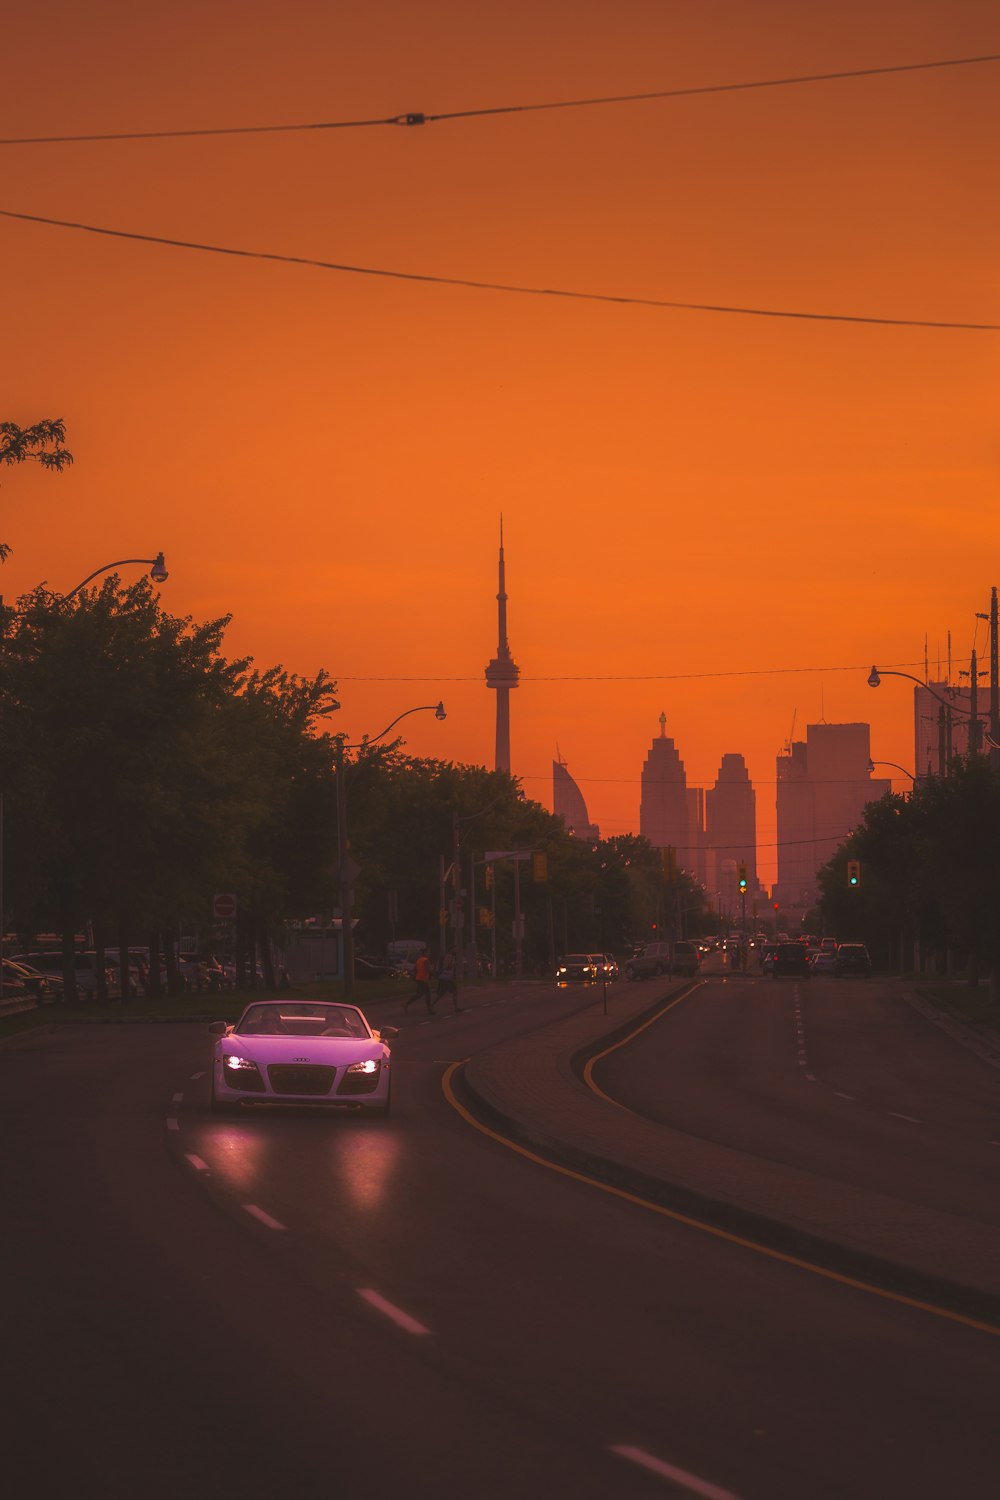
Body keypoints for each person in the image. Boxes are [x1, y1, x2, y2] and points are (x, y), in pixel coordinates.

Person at [404, 948, 433, 1013]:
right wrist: (432, 969)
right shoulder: (426, 960)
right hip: (423, 979)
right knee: (427, 995)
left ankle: (406, 1004)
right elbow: (429, 970)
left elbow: (415, 969)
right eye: (428, 952)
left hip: (419, 978)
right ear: (424, 953)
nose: (429, 954)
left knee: (419, 994)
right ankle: (430, 1009)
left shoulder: (419, 960)